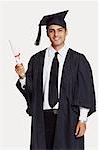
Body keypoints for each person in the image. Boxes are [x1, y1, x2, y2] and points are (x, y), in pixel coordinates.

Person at [15, 10, 96, 150]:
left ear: (66, 32)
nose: (56, 34)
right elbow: (32, 92)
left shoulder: (78, 60)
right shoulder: (37, 59)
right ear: (47, 33)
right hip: (43, 118)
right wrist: (23, 77)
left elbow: (85, 91)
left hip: (68, 118)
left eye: (59, 30)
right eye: (51, 31)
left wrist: (82, 120)